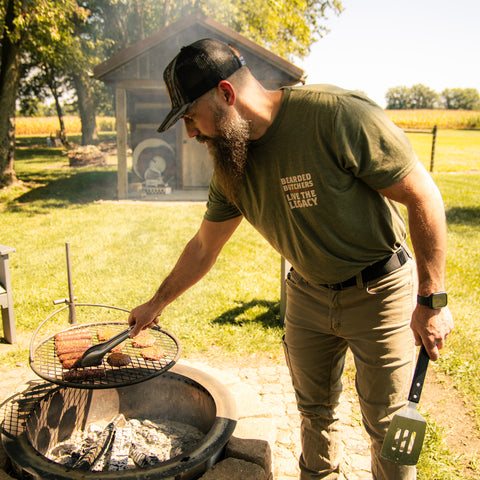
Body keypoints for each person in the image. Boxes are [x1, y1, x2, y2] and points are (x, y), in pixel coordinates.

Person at [128, 38, 453, 479]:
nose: (189, 133)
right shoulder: (230, 166)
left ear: (226, 94)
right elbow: (205, 246)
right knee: (314, 413)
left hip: (380, 291)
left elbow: (423, 195)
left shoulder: (334, 115)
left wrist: (431, 300)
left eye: (189, 117)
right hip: (307, 295)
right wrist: (157, 302)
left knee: (387, 424)